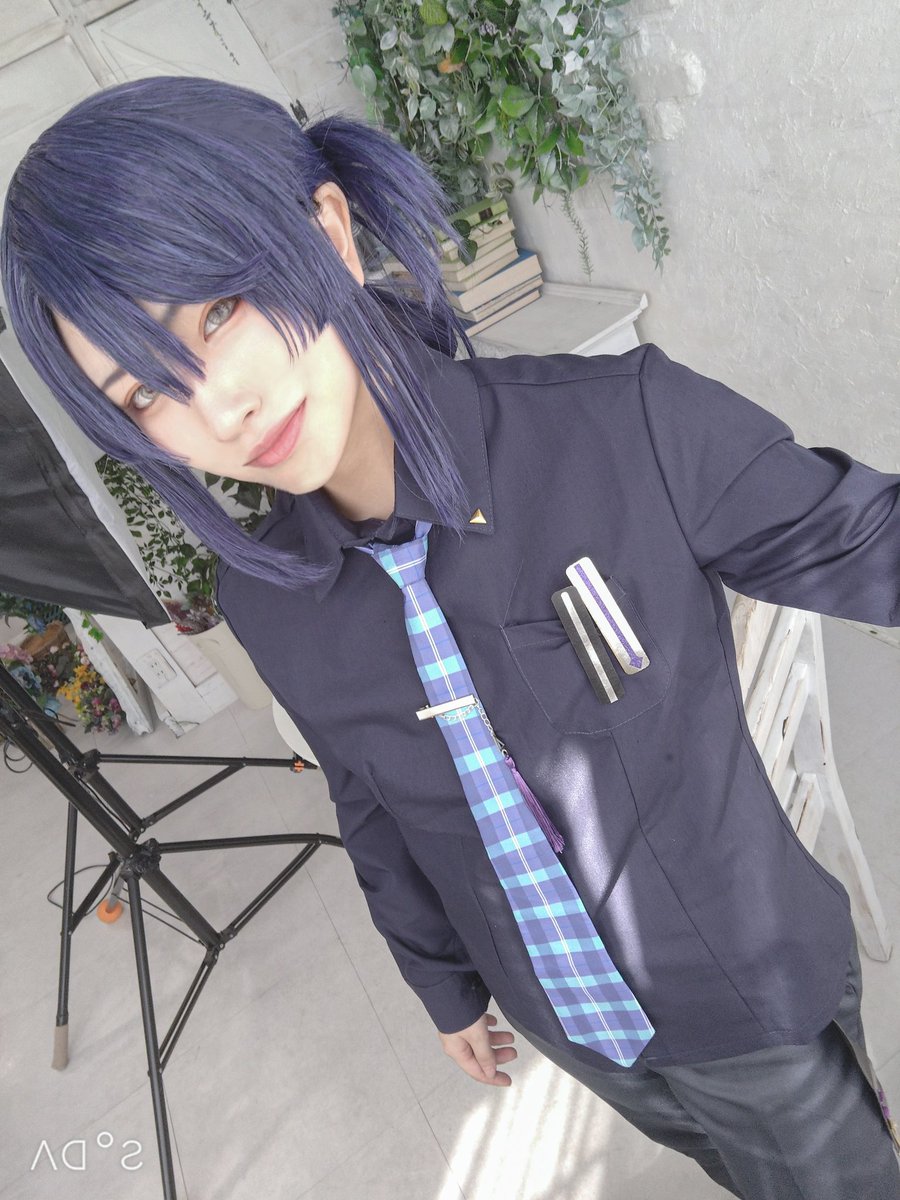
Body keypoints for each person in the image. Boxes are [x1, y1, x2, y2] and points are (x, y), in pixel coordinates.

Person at [2, 75, 899, 1200]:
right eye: (143, 393)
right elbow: (371, 803)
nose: (219, 407)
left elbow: (865, 539)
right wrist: (443, 988)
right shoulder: (269, 603)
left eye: (219, 309)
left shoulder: (627, 426)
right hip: (569, 1023)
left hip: (751, 1007)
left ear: (326, 231)